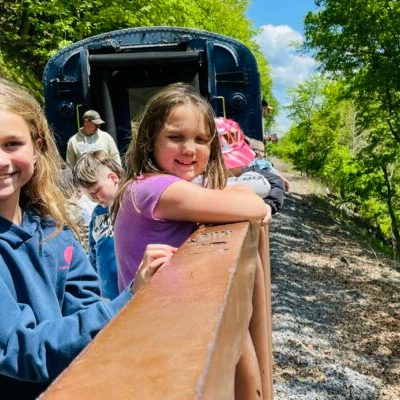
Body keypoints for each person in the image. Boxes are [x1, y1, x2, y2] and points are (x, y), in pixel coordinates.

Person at [0, 78, 175, 398]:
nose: (1, 160)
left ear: (38, 148)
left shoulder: (52, 229)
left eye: (12, 144)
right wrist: (128, 299)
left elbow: (85, 303)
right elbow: (20, 349)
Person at [113, 82, 270, 291]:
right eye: (175, 137)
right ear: (150, 140)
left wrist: (244, 197)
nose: (188, 149)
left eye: (200, 140)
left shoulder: (144, 184)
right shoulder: (157, 188)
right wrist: (251, 201)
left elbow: (242, 198)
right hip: (159, 317)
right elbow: (254, 207)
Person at [73, 150, 123, 300]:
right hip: (110, 295)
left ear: (113, 178)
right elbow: (93, 252)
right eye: (89, 196)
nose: (94, 199)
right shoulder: (98, 214)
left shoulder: (133, 203)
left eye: (96, 192)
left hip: (134, 289)